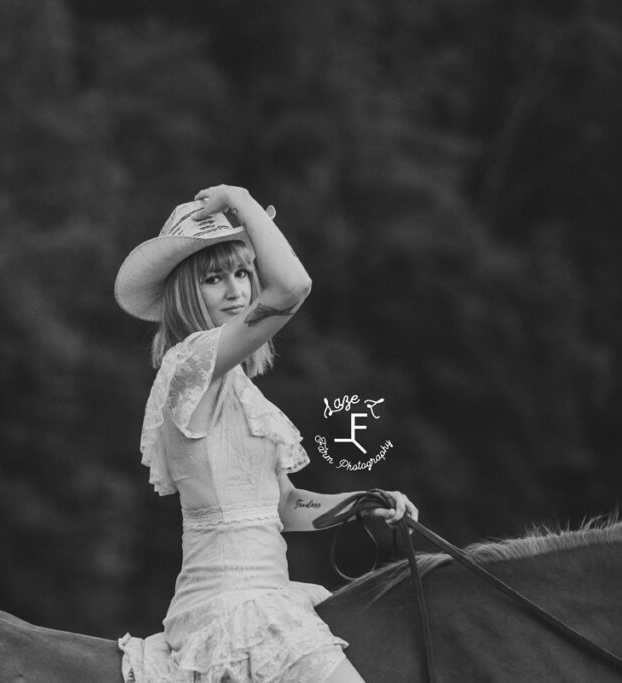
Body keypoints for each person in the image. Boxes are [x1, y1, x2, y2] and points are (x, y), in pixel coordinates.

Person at [114, 185, 419, 683]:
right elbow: (293, 287)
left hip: (271, 595)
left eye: (242, 272)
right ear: (187, 292)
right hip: (229, 608)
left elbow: (283, 507)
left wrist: (362, 501)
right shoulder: (191, 364)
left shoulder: (237, 387)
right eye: (214, 279)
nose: (236, 291)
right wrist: (239, 198)